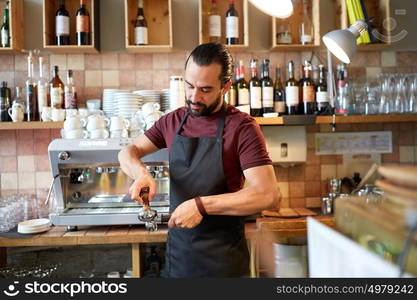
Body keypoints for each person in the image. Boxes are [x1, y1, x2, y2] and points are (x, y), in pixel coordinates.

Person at [118, 43, 280, 278]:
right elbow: (128, 151)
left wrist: (200, 206)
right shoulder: (172, 121)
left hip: (224, 263)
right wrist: (141, 173)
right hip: (179, 260)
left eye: (205, 89)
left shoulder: (242, 128)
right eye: (190, 86)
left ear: (225, 87)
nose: (194, 97)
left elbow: (267, 194)